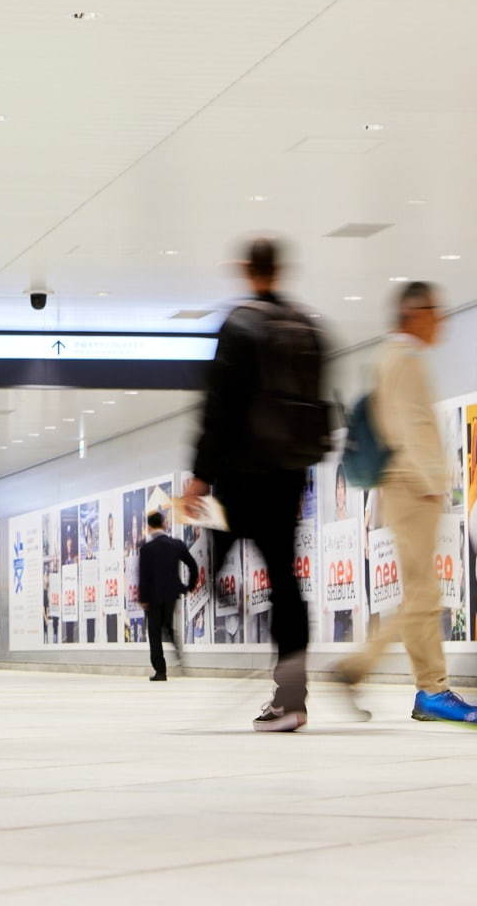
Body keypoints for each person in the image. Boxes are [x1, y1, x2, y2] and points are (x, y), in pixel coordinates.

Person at [185, 235, 329, 732]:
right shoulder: (307, 326)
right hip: (289, 474)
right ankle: (293, 698)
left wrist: (200, 476)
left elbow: (218, 407)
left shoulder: (239, 325)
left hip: (242, 473)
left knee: (218, 546)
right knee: (286, 581)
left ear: (248, 270)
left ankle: (222, 588)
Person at [336, 283, 477, 725]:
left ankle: (428, 689)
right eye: (436, 311)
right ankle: (372, 670)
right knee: (423, 592)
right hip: (411, 487)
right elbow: (402, 427)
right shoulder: (401, 359)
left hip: (407, 486)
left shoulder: (399, 358)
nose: (441, 320)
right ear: (415, 312)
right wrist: (429, 482)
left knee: (421, 592)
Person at [137, 511, 198, 681]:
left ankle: (160, 671)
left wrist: (142, 598)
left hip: (153, 597)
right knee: (168, 625)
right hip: (171, 594)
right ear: (164, 524)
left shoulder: (146, 549)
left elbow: (144, 576)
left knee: (154, 632)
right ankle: (178, 651)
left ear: (149, 527)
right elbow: (193, 565)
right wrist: (188, 587)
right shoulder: (176, 544)